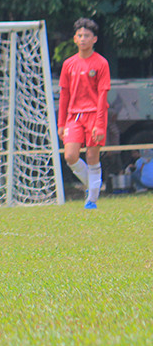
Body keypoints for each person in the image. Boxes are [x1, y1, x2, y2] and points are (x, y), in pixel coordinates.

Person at [57, 18, 111, 209]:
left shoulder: (101, 63)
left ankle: (92, 200)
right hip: (74, 117)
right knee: (70, 156)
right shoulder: (68, 64)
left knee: (91, 156)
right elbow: (64, 95)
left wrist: (100, 124)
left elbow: (102, 95)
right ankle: (94, 185)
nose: (83, 39)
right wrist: (61, 123)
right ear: (74, 39)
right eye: (80, 35)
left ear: (94, 39)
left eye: (87, 36)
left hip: (95, 115)